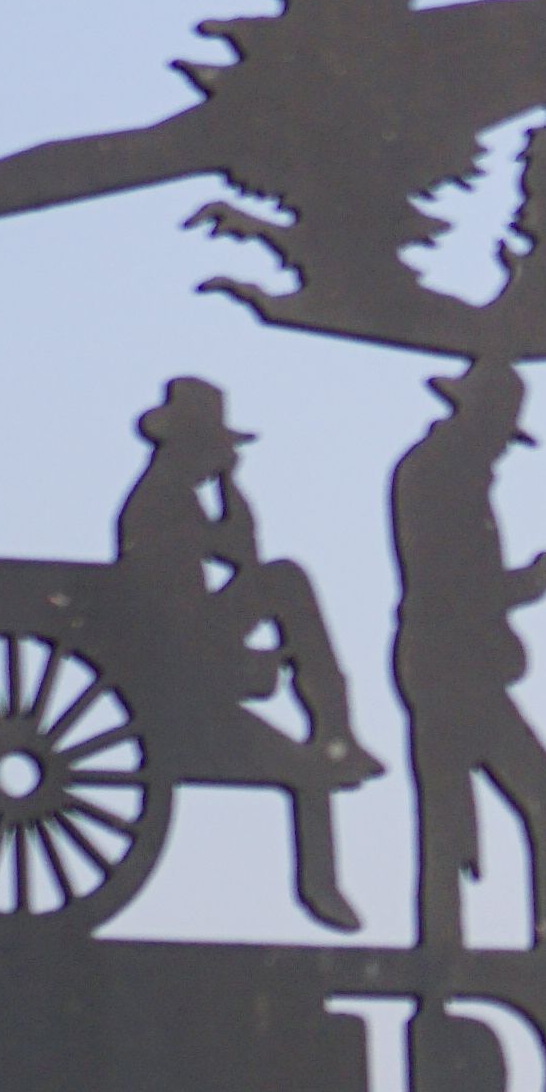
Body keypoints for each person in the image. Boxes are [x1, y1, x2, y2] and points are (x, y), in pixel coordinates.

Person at [114, 374, 370, 929]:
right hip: (183, 676)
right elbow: (178, 622)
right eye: (215, 449)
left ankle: (336, 731)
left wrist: (229, 488)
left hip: (195, 651)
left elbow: (242, 553)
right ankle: (322, 866)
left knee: (286, 582)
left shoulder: (176, 498)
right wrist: (244, 666)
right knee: (287, 583)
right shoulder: (162, 506)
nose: (220, 460)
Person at [390, 357, 546, 951]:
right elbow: (455, 589)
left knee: (456, 822)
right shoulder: (438, 478)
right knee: (542, 814)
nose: (501, 454)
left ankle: (465, 950)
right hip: (447, 669)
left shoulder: (446, 476)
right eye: (499, 437)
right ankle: (533, 956)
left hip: (452, 665)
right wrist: (540, 576)